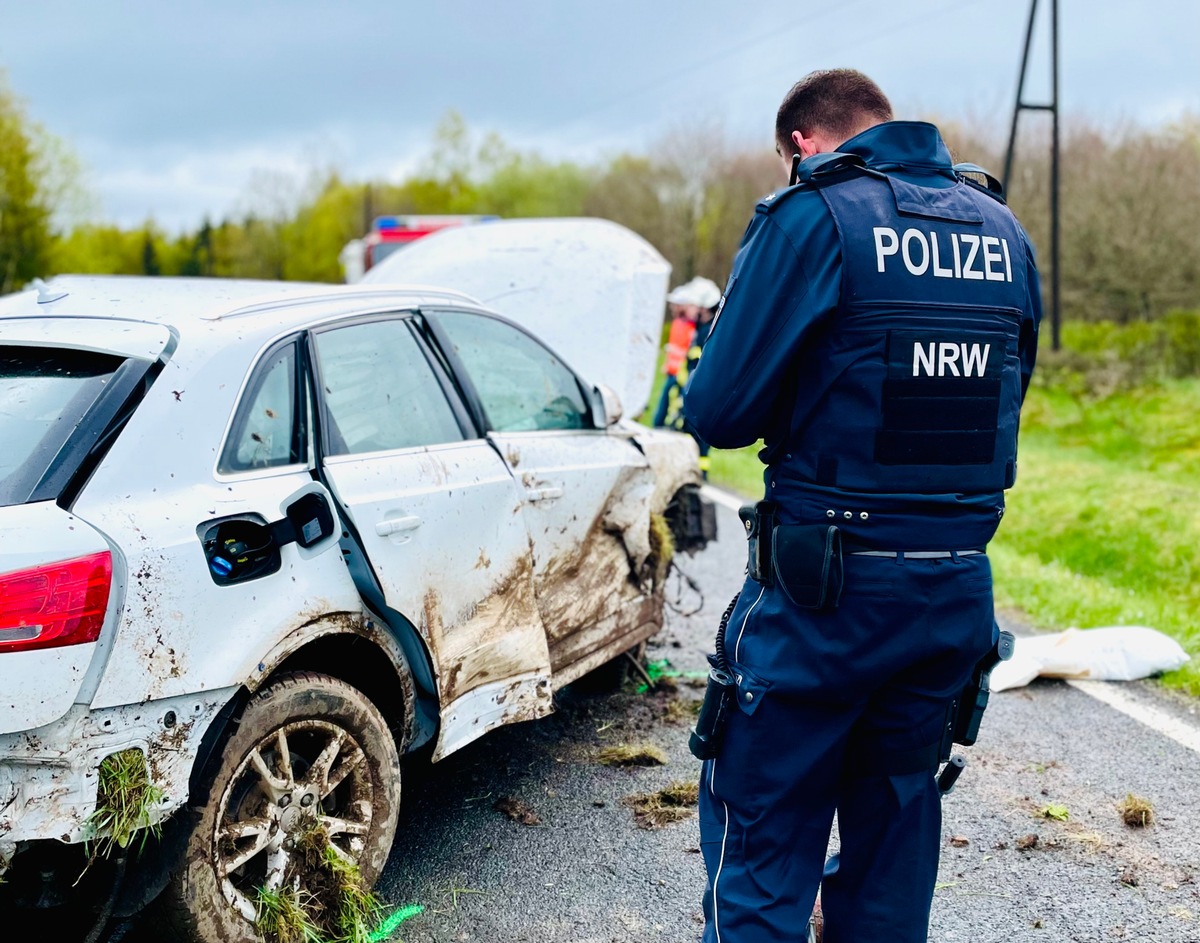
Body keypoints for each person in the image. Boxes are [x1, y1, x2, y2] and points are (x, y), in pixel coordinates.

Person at [684, 69, 1041, 942]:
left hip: (822, 604)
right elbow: (1006, 390)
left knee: (763, 853)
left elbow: (717, 413)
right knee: (890, 868)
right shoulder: (1004, 231)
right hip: (951, 600)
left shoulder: (811, 216)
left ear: (802, 144)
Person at [651, 283, 700, 428]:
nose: (672, 307)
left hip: (681, 374)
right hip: (672, 372)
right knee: (664, 405)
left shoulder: (691, 326)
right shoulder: (677, 323)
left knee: (672, 406)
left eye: (676, 304)